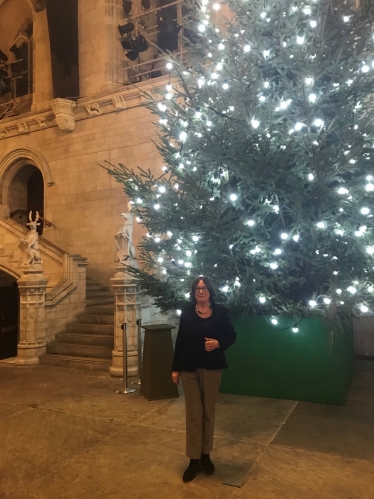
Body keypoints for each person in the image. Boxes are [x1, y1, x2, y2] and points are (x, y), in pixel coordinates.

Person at [172, 276, 237, 482]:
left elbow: (231, 335)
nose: (201, 291)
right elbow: (180, 339)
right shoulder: (187, 312)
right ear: (193, 292)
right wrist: (175, 368)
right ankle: (193, 460)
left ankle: (205, 455)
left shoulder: (220, 312)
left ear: (210, 291)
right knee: (194, 415)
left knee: (208, 413)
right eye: (198, 288)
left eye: (205, 288)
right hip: (189, 369)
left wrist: (218, 343)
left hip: (212, 369)